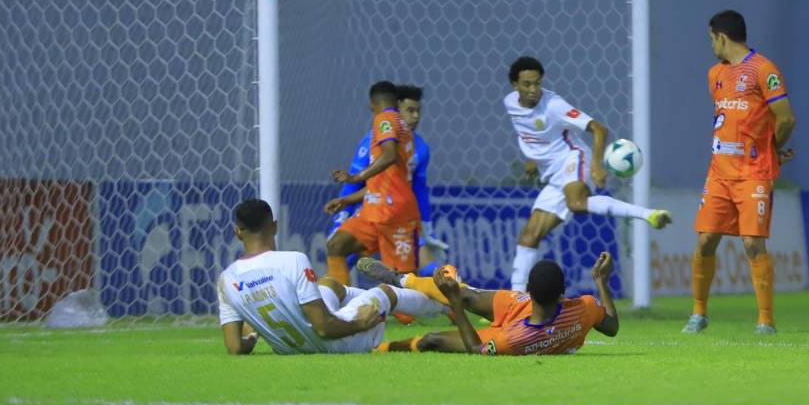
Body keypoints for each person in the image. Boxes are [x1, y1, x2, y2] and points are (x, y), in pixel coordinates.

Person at [503, 56, 670, 291]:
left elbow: (599, 129)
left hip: (573, 157)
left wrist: (597, 166)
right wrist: (532, 157)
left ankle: (648, 214)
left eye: (537, 83)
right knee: (529, 237)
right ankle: (515, 301)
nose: (533, 90)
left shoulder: (554, 105)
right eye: (527, 84)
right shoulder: (510, 103)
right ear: (515, 86)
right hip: (552, 175)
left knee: (577, 203)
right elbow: (528, 131)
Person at [684, 9, 796, 336]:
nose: (711, 46)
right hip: (718, 173)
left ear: (721, 36)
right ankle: (698, 314)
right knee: (705, 241)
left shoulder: (764, 70)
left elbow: (786, 118)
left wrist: (771, 148)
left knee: (752, 244)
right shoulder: (714, 74)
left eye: (711, 39)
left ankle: (765, 320)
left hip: (753, 173)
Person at [216, 199, 442, 355]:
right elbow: (324, 328)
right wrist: (360, 323)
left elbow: (235, 347)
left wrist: (253, 336)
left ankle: (403, 306)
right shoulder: (292, 260)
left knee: (328, 284)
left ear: (237, 232)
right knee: (384, 292)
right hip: (339, 343)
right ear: (275, 227)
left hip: (292, 348)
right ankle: (441, 304)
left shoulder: (226, 281)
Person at [379, 253, 618, 355]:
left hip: (520, 321)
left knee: (432, 339)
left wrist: (454, 303)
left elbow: (475, 349)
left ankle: (378, 348)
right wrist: (601, 281)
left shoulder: (515, 339)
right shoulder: (584, 309)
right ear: (563, 293)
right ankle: (403, 279)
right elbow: (612, 326)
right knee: (467, 296)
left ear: (528, 290)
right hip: (523, 311)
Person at [326, 85, 448, 282]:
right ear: (397, 105)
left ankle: (453, 300)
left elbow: (412, 183)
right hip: (374, 207)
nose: (416, 116)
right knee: (338, 246)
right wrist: (346, 203)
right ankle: (338, 306)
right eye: (411, 110)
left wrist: (426, 223)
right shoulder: (391, 133)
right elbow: (379, 179)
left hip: (395, 212)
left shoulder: (391, 126)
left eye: (418, 111)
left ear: (372, 105)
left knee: (405, 281)